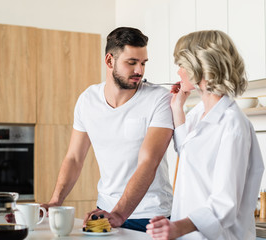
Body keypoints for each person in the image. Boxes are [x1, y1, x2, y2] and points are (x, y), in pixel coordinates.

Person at [41, 27, 174, 232]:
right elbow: (74, 158)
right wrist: (55, 201)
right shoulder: (87, 100)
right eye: (131, 63)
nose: (139, 70)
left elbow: (149, 162)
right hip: (105, 211)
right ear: (109, 61)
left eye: (143, 63)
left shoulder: (159, 99)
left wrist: (120, 213)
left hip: (150, 215)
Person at [146, 30, 264, 239]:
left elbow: (224, 203)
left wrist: (178, 227)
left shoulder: (232, 124)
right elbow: (188, 152)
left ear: (199, 66)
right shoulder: (199, 112)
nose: (179, 72)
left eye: (182, 65)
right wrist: (177, 108)